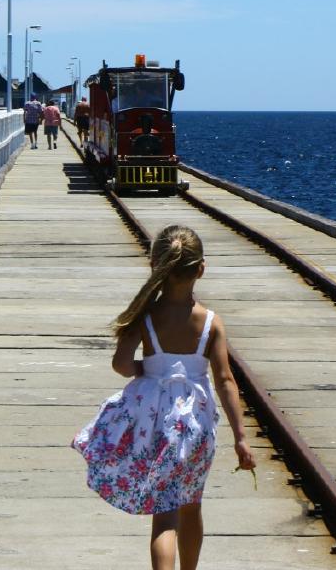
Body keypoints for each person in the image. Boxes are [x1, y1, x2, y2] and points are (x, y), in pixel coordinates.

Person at [72, 225, 256, 570]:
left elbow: (121, 364)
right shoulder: (211, 323)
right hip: (196, 427)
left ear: (154, 265)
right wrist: (241, 437)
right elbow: (225, 380)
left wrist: (146, 368)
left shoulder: (144, 316)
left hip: (156, 425)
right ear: (200, 270)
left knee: (165, 517)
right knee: (192, 505)